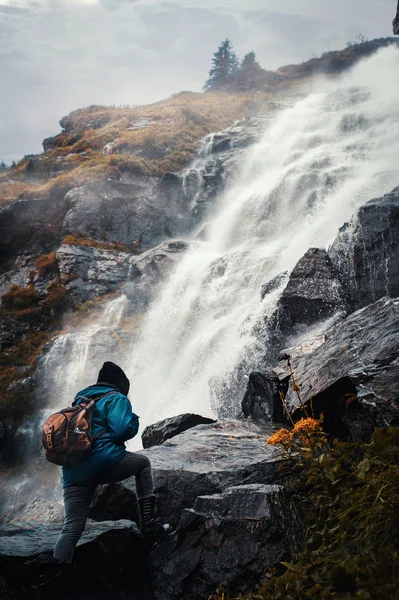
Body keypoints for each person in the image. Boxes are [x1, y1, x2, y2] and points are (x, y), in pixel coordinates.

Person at [54, 361, 168, 563]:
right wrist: (133, 417)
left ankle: (57, 571)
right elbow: (121, 431)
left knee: (71, 528)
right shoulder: (117, 398)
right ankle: (149, 525)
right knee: (143, 464)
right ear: (121, 384)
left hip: (73, 470)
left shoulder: (80, 399)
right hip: (104, 462)